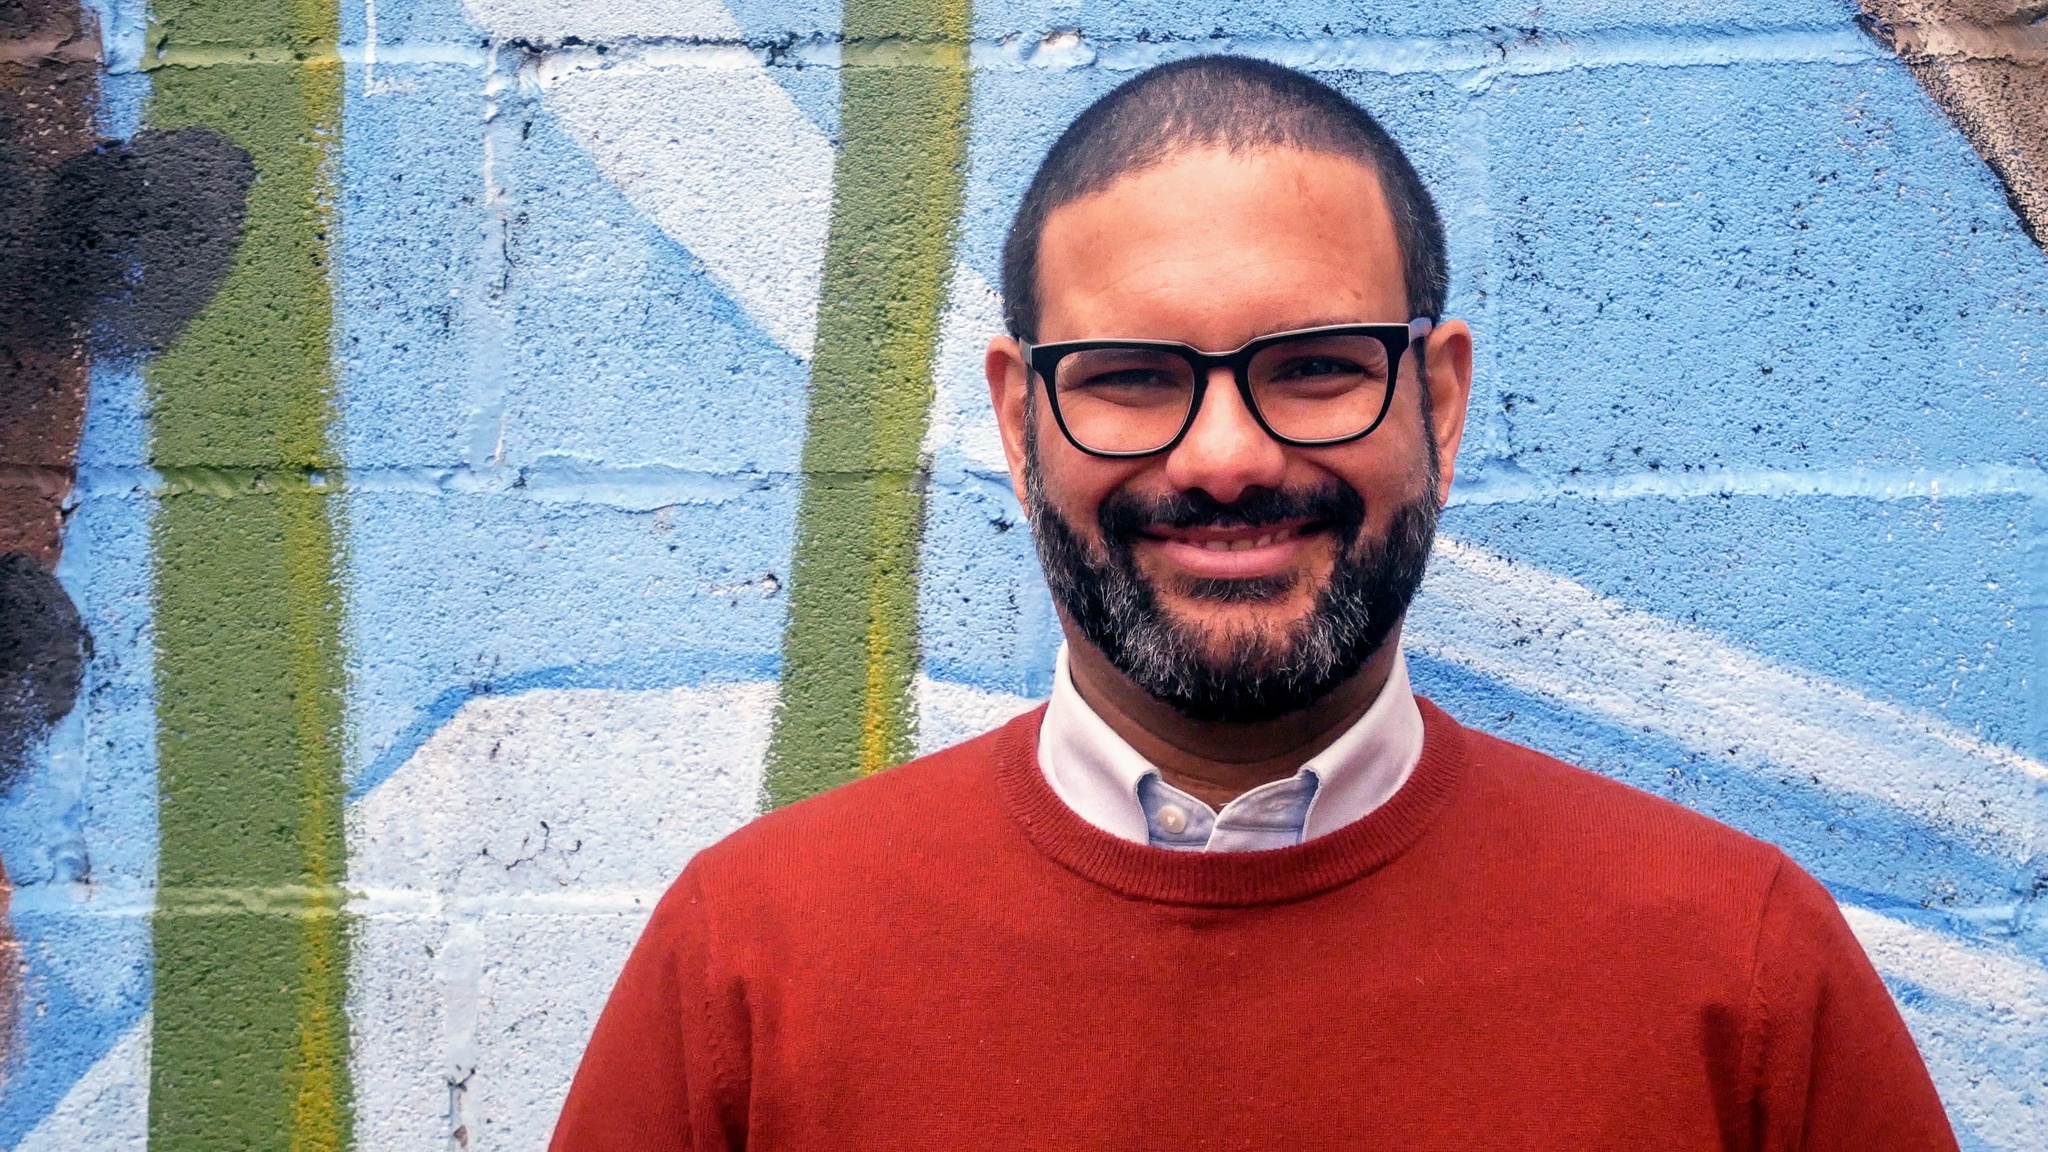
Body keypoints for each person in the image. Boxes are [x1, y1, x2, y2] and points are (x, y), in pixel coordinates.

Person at [551, 56, 1955, 1150]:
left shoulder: (1738, 968)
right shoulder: (752, 958)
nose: (1226, 456)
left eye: (1318, 366)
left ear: (1440, 403)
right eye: (1131, 377)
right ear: (1020, 418)